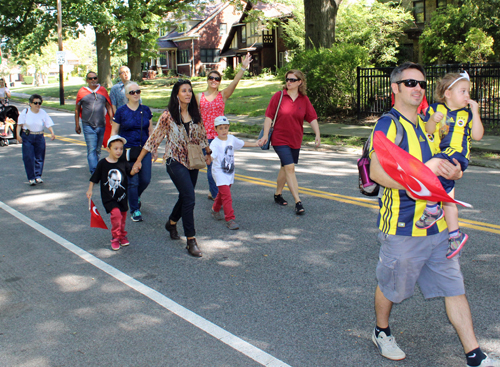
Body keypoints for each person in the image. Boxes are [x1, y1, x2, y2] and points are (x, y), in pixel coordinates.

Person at [369, 62, 498, 367]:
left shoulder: (430, 121)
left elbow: (443, 163)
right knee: (392, 287)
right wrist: (418, 176)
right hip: (402, 226)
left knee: (454, 288)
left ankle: (474, 354)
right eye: (410, 83)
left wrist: (453, 172)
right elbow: (377, 172)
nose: (417, 88)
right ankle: (381, 330)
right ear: (395, 88)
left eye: (421, 83)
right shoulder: (389, 125)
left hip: (438, 225)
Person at [133, 79, 211, 258]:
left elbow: (202, 135)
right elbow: (154, 139)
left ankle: (171, 222)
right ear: (177, 94)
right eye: (184, 91)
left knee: (186, 196)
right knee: (190, 197)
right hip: (174, 160)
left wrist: (208, 151)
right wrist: (139, 160)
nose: (188, 94)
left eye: (190, 91)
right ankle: (191, 240)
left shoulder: (195, 114)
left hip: (192, 160)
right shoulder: (168, 116)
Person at [416, 71, 484, 259]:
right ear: (448, 93)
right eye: (463, 91)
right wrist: (432, 120)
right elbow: (429, 131)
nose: (467, 96)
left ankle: (431, 208)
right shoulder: (435, 109)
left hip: (456, 156)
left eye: (468, 92)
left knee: (426, 169)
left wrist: (476, 113)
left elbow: (478, 136)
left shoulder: (467, 114)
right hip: (442, 154)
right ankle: (455, 236)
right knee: (448, 199)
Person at [256, 69, 321, 215]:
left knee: (285, 167)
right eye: (287, 79)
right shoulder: (279, 96)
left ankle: (277, 194)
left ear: (300, 82)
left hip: (295, 139)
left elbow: (312, 117)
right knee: (290, 167)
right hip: (279, 138)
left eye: (292, 80)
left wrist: (317, 133)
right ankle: (298, 201)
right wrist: (266, 134)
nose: (288, 82)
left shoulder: (304, 99)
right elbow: (268, 117)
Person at [197, 53, 253, 201]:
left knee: (221, 166)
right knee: (211, 166)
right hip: (206, 137)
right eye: (211, 78)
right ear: (207, 80)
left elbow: (235, 83)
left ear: (219, 82)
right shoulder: (199, 96)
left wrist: (243, 67)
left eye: (217, 79)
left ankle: (213, 191)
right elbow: (195, 117)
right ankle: (216, 196)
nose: (214, 80)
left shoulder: (223, 95)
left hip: (221, 136)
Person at [87, 135, 138, 251]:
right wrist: (90, 190)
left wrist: (135, 169)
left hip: (123, 196)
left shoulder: (123, 162)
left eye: (121, 148)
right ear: (108, 149)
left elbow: (130, 173)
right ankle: (115, 237)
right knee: (116, 215)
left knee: (122, 218)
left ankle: (122, 235)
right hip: (109, 198)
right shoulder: (103, 164)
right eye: (116, 148)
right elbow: (95, 178)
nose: (119, 151)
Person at [111, 82, 153, 222]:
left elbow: (150, 131)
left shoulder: (146, 110)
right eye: (132, 92)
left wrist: (154, 148)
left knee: (145, 179)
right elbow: (115, 131)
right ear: (127, 95)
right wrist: (113, 149)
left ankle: (135, 196)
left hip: (144, 149)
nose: (136, 94)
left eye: (138, 91)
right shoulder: (121, 111)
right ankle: (135, 209)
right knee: (133, 181)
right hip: (127, 151)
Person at [209, 116, 261, 230]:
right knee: (227, 196)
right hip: (219, 172)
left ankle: (215, 209)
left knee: (223, 193)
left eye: (226, 128)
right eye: (221, 128)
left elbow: (242, 143)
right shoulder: (214, 143)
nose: (223, 130)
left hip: (229, 172)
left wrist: (256, 144)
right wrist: (206, 158)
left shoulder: (231, 139)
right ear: (216, 129)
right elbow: (211, 157)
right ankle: (230, 219)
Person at [75, 71, 113, 174]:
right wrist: (77, 124)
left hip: (101, 124)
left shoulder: (102, 90)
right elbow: (77, 109)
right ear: (87, 80)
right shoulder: (82, 92)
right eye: (90, 78)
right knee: (91, 148)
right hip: (88, 124)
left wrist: (111, 118)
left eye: (95, 78)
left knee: (97, 149)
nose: (93, 80)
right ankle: (95, 171)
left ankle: (95, 167)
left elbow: (108, 105)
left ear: (97, 79)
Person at [16, 94, 55, 186]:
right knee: (28, 157)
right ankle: (31, 177)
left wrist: (52, 133)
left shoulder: (43, 112)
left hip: (39, 136)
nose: (38, 105)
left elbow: (48, 123)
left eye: (39, 103)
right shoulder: (25, 112)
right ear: (30, 104)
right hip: (28, 136)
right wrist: (17, 135)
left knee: (39, 157)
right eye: (35, 103)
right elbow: (19, 125)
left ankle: (38, 176)